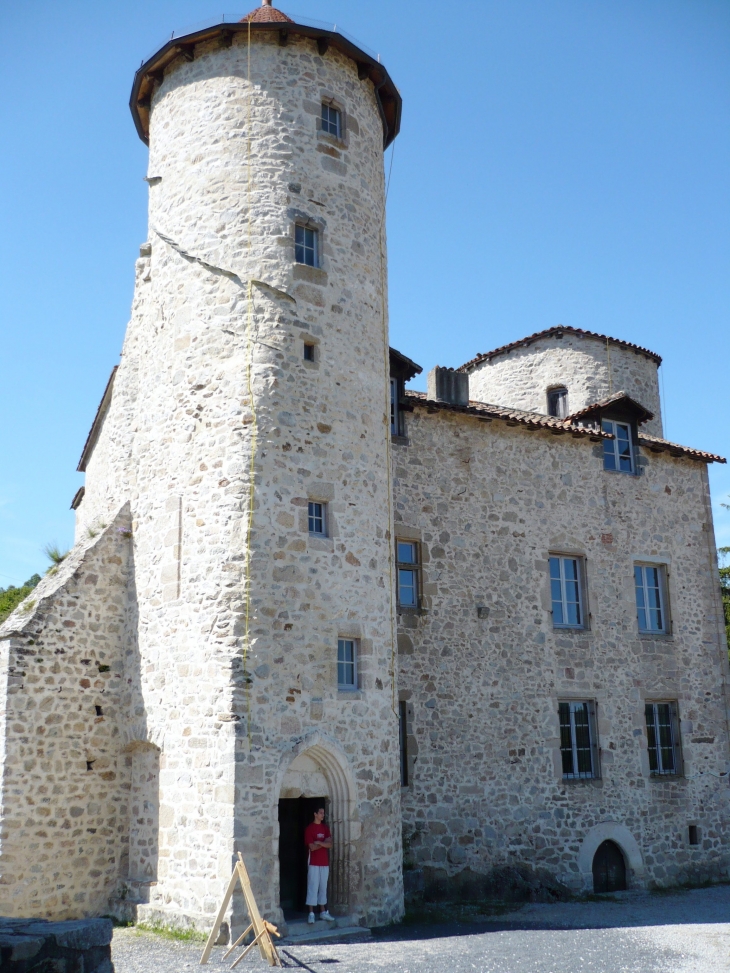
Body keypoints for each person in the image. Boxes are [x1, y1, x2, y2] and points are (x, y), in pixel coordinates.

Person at [304, 806, 335, 924]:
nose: (323, 815)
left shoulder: (325, 828)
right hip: (313, 862)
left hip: (324, 862)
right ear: (315, 814)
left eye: (323, 813)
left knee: (323, 887)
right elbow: (311, 847)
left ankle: (323, 912)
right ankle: (311, 913)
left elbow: (330, 844)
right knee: (313, 886)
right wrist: (324, 843)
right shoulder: (310, 829)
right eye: (321, 813)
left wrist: (320, 843)